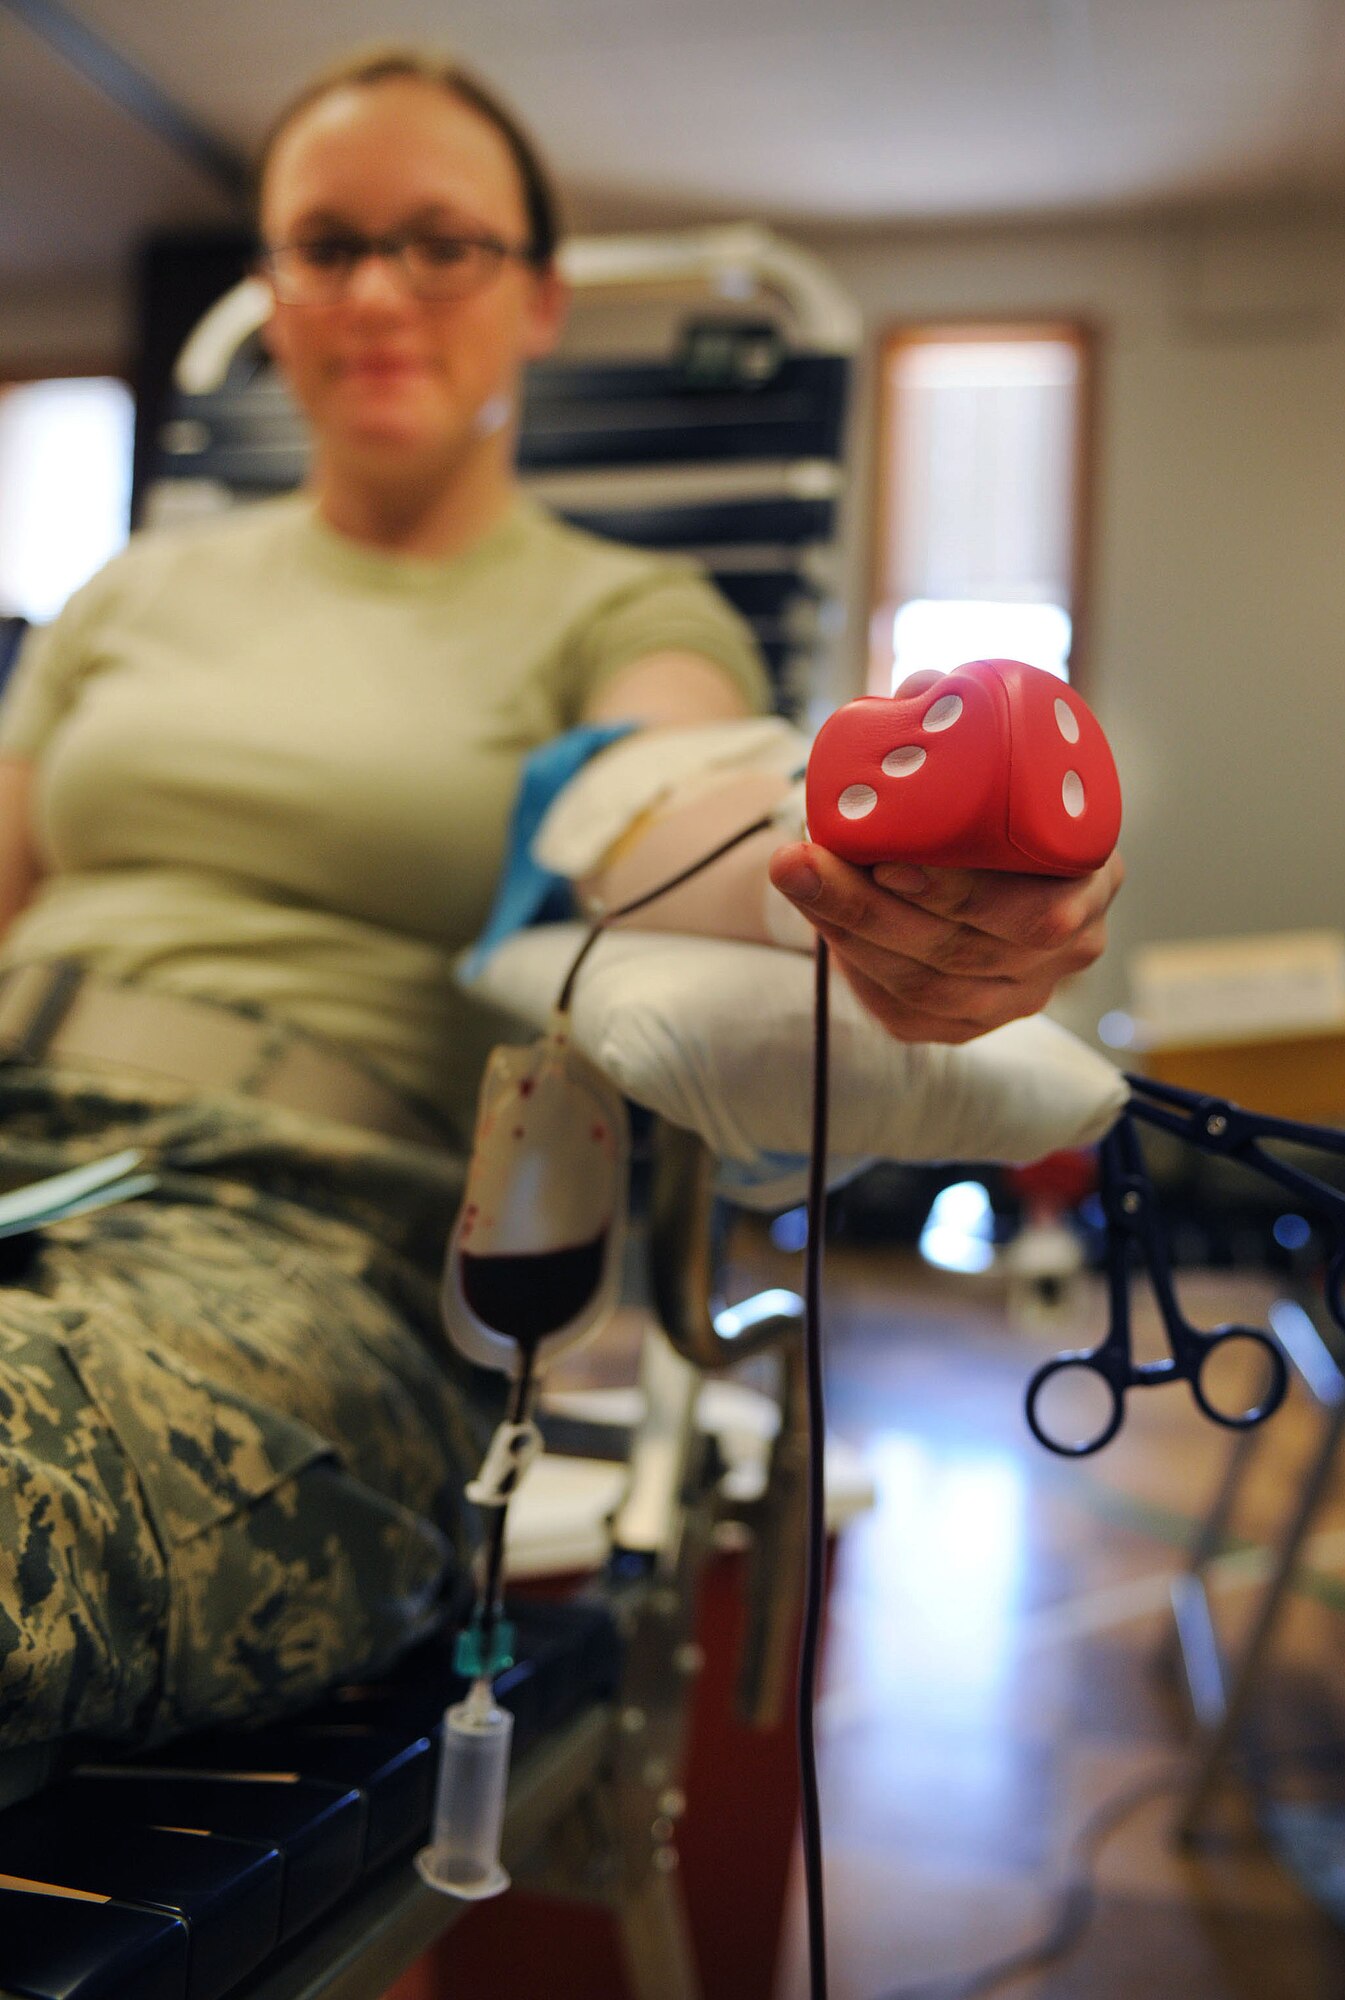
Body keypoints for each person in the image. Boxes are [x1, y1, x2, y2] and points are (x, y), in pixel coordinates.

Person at [0, 47, 1122, 1764]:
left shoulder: (619, 605)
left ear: (534, 298)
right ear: (272, 294)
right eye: (327, 241)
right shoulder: (125, 595)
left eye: (439, 243)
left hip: (299, 1240)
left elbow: (662, 803)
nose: (378, 288)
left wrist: (873, 881)